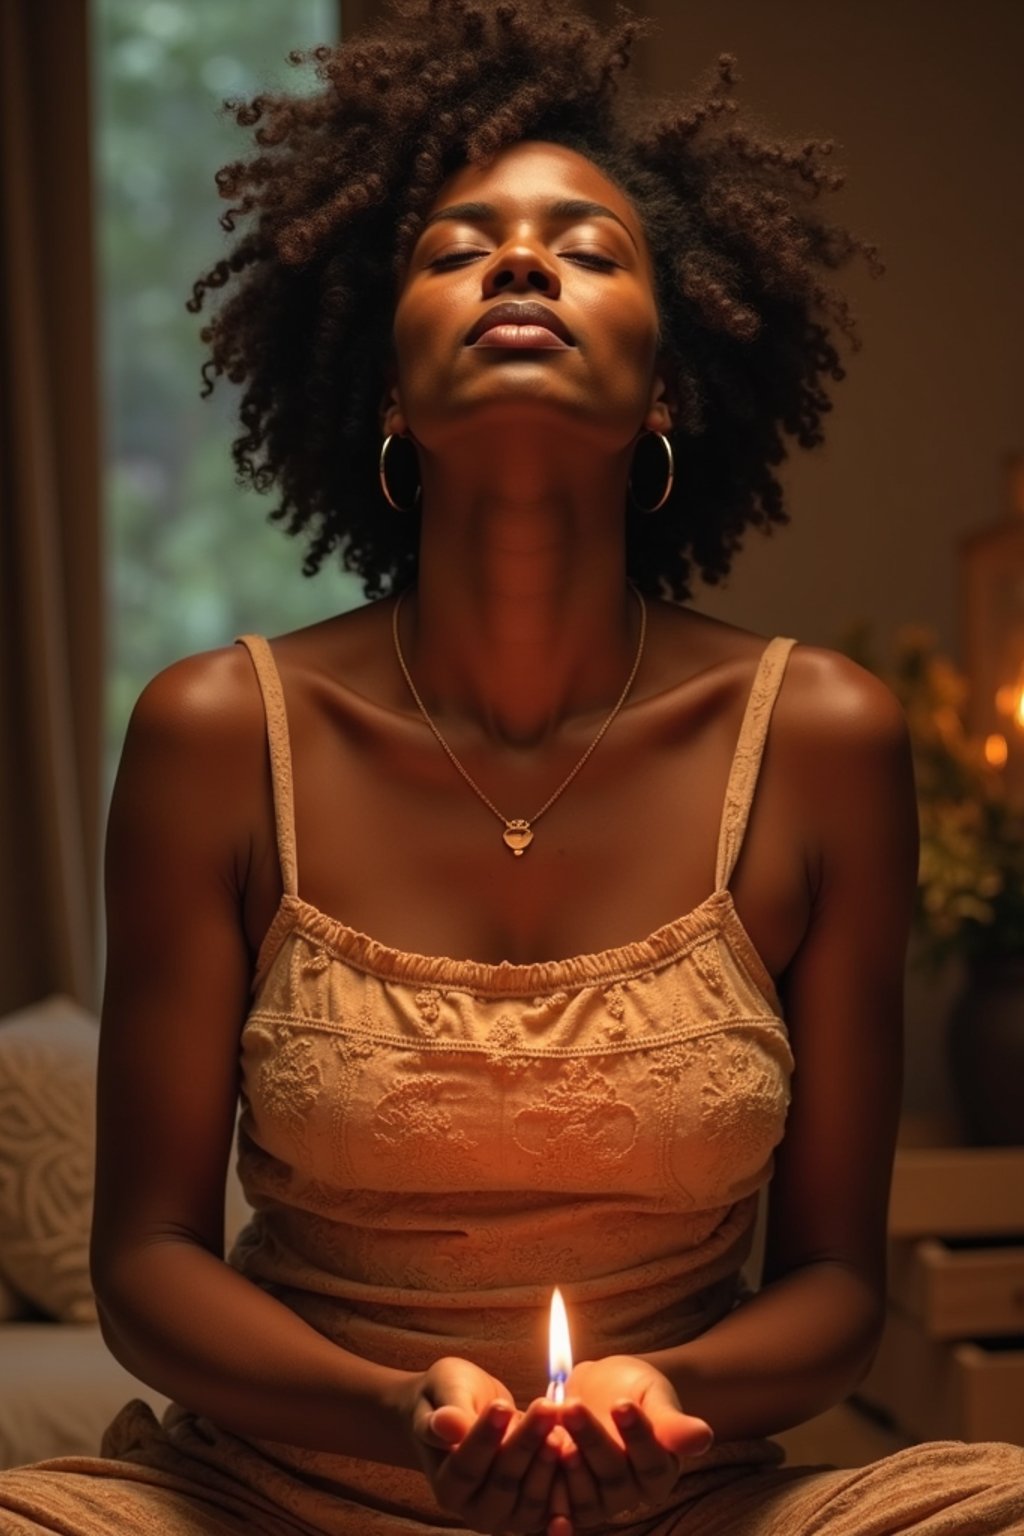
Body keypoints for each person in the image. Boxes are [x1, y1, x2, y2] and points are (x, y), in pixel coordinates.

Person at [3, 1, 1023, 1532]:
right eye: (458, 245)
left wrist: (675, 1391)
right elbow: (145, 1261)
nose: (526, 262)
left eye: (594, 249)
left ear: (668, 389)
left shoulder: (821, 738)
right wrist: (381, 1410)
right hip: (269, 1499)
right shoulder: (219, 732)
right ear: (391, 394)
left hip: (681, 1506)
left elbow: (831, 1287)